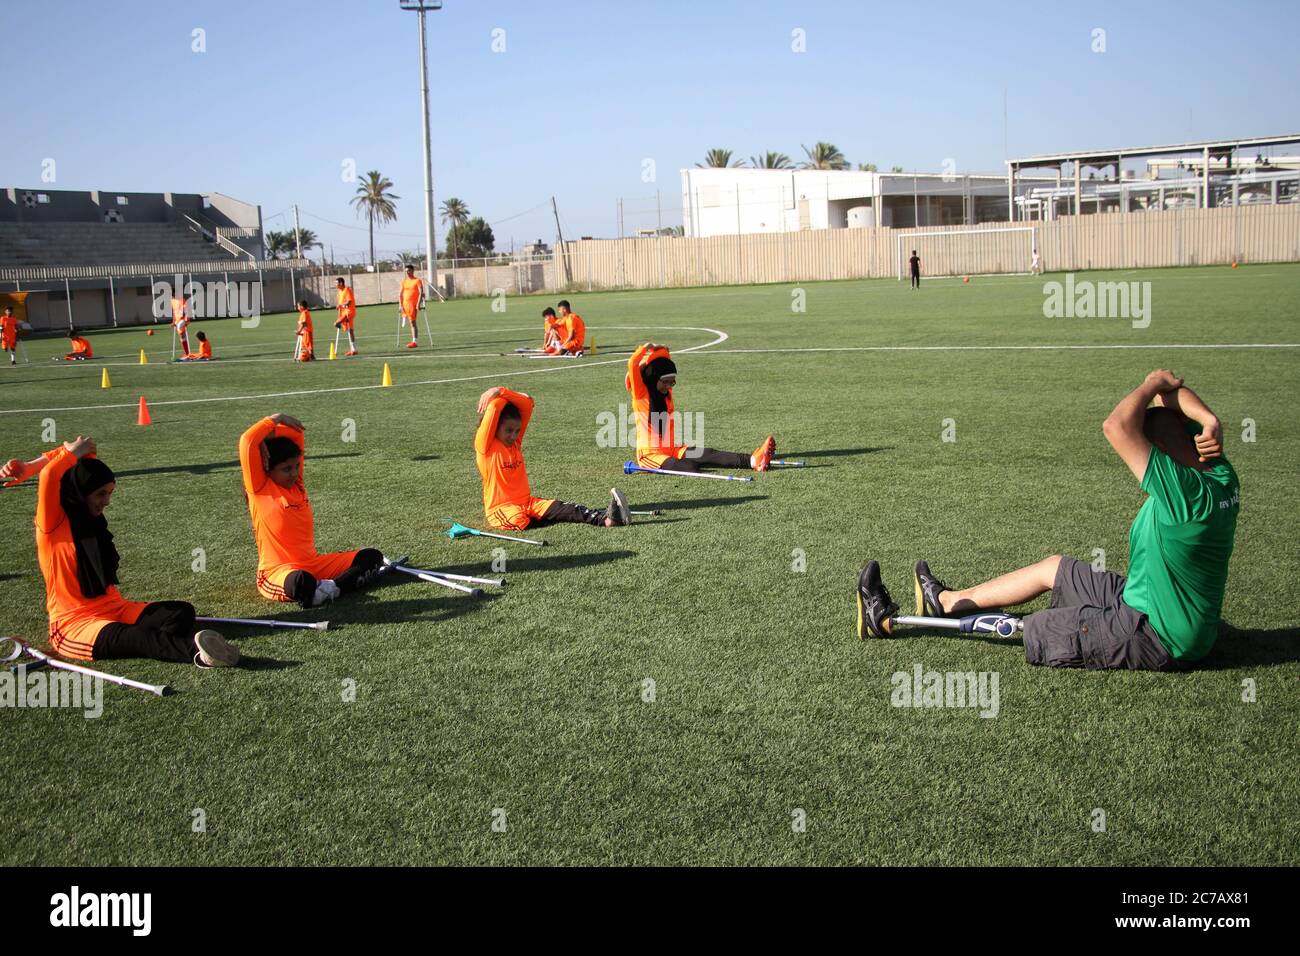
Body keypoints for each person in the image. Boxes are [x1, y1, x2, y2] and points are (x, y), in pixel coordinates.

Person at [856, 370, 1240, 671]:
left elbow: (1117, 426)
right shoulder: (1219, 473)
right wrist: (1209, 418)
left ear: (1159, 456)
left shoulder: (1185, 498)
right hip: (1148, 596)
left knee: (1044, 626)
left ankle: (889, 621)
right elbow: (1166, 396)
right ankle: (946, 601)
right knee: (1053, 568)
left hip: (1161, 635)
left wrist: (1150, 383)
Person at [0, 438, 239, 667]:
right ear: (81, 492)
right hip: (75, 624)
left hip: (115, 608)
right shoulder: (52, 524)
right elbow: (52, 474)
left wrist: (32, 464)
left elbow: (85, 456)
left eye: (110, 493)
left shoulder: (92, 520)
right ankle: (200, 654)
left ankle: (133, 640)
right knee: (138, 637)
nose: (106, 502)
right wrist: (52, 459)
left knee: (181, 612)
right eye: (101, 494)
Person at [239, 413, 391, 608]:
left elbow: (296, 433)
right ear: (267, 467)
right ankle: (323, 588)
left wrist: (269, 437)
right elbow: (247, 441)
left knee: (371, 556)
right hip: (278, 571)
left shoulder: (297, 484)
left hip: (314, 564)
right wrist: (272, 422)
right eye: (286, 469)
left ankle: (332, 589)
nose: (294, 473)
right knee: (301, 583)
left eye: (296, 467)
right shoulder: (259, 488)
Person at [476, 386, 630, 531]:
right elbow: (495, 407)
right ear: (494, 426)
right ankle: (541, 517)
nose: (514, 435)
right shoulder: (485, 447)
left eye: (516, 431)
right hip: (501, 509)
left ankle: (608, 520)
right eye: (508, 430)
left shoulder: (515, 443)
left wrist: (501, 391)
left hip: (528, 503)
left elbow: (528, 403)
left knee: (564, 507)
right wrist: (500, 395)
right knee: (519, 520)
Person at [625, 342, 775, 474]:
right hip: (650, 456)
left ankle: (754, 461)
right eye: (665, 382)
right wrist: (644, 349)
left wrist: (661, 351)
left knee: (708, 453)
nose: (668, 386)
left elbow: (665, 360)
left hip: (672, 449)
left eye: (672, 382)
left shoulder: (666, 392)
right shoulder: (641, 394)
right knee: (690, 467)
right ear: (654, 377)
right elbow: (633, 364)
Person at [399, 265, 423, 349]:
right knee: (410, 321)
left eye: (409, 270)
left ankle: (414, 342)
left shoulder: (417, 281)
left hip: (412, 304)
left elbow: (421, 292)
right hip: (405, 304)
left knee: (412, 322)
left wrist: (418, 303)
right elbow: (400, 294)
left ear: (413, 271)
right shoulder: (404, 281)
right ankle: (404, 316)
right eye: (406, 271)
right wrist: (400, 305)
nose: (407, 272)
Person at [335, 278, 358, 356]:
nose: (336, 285)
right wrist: (339, 306)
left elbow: (349, 301)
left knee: (337, 323)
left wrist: (343, 305)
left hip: (349, 312)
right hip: (343, 313)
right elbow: (340, 303)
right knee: (350, 330)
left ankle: (338, 323)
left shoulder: (347, 290)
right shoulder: (339, 292)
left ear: (341, 283)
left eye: (337, 283)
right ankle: (353, 349)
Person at [171, 292, 191, 357]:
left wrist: (186, 319)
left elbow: (186, 310)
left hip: (183, 319)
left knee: (179, 327)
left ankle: (187, 353)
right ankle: (187, 353)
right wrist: (173, 321)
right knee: (182, 337)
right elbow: (174, 312)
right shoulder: (172, 301)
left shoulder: (182, 300)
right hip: (177, 320)